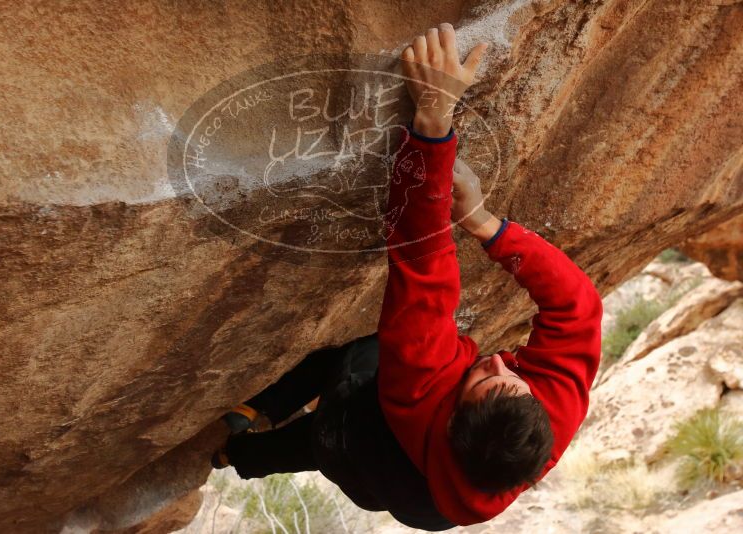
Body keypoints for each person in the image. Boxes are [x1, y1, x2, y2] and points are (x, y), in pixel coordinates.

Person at [211, 22, 603, 529]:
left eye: (486, 380)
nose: (501, 366)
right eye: (515, 381)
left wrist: (434, 119)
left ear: (452, 419)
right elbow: (578, 307)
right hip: (421, 506)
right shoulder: (548, 416)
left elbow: (422, 259)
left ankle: (250, 429)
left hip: (358, 437)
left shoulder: (418, 386)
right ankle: (240, 451)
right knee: (318, 446)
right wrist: (486, 224)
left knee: (345, 377)